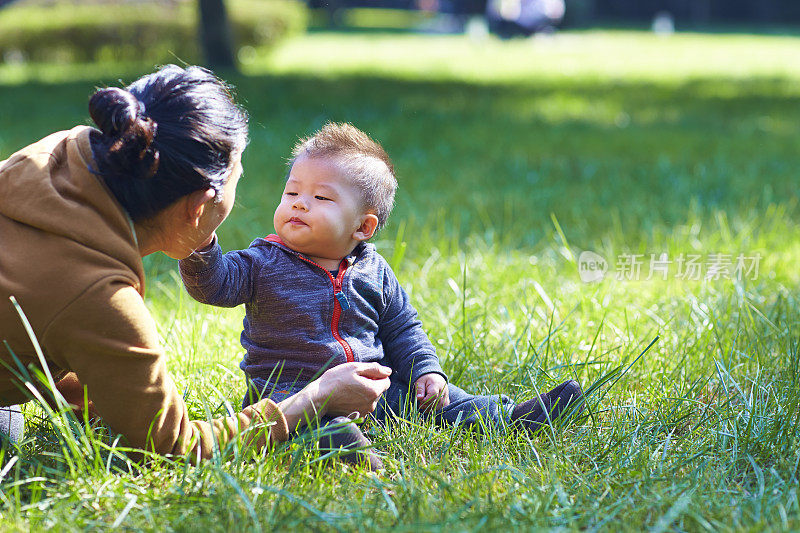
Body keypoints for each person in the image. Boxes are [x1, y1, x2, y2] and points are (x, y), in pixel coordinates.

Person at [0, 66, 392, 461]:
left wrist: (110, 387)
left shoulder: (57, 153)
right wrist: (316, 396)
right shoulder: (96, 296)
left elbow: (48, 312)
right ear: (201, 205)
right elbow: (175, 446)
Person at [179, 122, 584, 469]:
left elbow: (403, 328)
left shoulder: (374, 271)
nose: (300, 203)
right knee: (313, 428)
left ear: (363, 227)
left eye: (321, 198)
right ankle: (342, 447)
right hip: (292, 392)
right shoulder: (261, 262)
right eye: (291, 193)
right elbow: (214, 285)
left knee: (444, 402)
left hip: (377, 390)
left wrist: (428, 372)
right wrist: (199, 244)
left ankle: (510, 417)